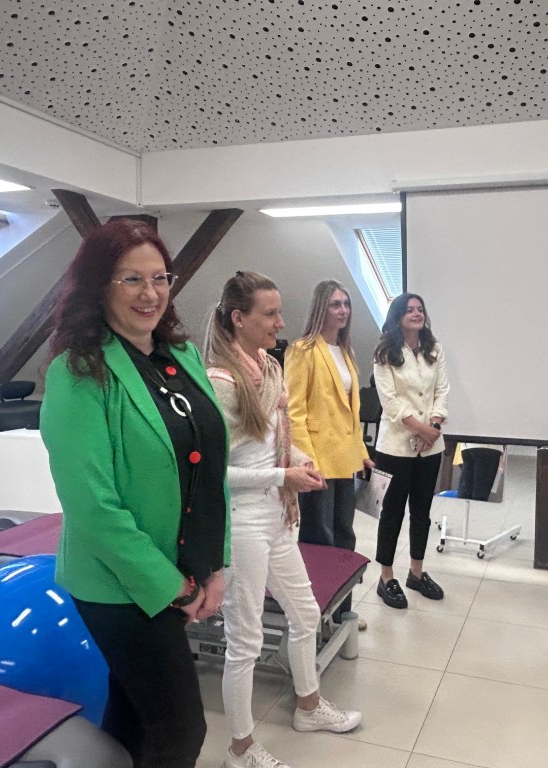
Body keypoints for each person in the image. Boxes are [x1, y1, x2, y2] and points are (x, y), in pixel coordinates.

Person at [39, 219, 229, 768]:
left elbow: (212, 469)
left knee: (133, 719)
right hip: (119, 585)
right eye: (132, 279)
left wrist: (214, 565)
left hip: (181, 570)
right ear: (99, 286)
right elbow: (92, 507)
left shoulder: (182, 355)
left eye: (160, 278)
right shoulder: (78, 373)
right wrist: (175, 588)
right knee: (180, 730)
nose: (151, 293)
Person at [204, 271, 361, 768]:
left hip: (277, 515)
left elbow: (276, 441)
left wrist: (299, 465)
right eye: (270, 314)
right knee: (245, 642)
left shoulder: (269, 367)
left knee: (306, 614)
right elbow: (214, 474)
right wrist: (282, 475)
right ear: (238, 318)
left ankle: (309, 708)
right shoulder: (220, 382)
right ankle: (240, 750)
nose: (281, 323)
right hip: (244, 523)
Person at [285, 280, 374, 627]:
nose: (343, 310)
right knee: (319, 537)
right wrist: (307, 461)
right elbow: (295, 412)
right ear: (321, 308)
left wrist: (361, 452)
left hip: (345, 460)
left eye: (346, 304)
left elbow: (350, 413)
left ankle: (341, 610)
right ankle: (316, 614)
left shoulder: (345, 351)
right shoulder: (303, 350)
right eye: (336, 304)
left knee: (344, 535)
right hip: (318, 461)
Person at [372, 292, 450, 609]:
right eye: (409, 310)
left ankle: (416, 573)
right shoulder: (384, 353)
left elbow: (442, 390)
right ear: (398, 316)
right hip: (394, 447)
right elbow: (390, 402)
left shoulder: (434, 349)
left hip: (430, 446)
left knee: (422, 512)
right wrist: (421, 429)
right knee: (392, 512)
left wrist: (434, 425)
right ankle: (386, 577)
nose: (416, 313)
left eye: (420, 309)